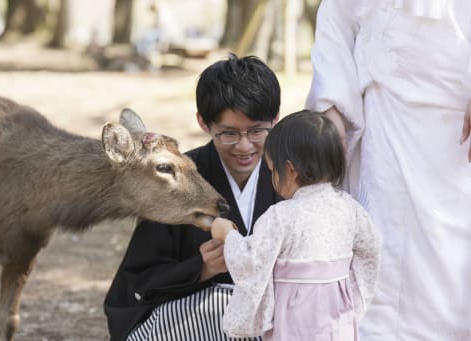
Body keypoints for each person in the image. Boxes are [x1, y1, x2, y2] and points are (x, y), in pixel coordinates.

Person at [305, 1, 471, 340]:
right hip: (383, 122)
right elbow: (335, 22)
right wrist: (332, 114)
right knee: (381, 241)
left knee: (451, 255)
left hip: (456, 122)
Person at [104, 53, 282, 341]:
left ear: (275, 119)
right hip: (194, 324)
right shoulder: (172, 180)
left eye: (257, 130)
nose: (245, 146)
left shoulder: (292, 174)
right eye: (229, 133)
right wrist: (201, 269)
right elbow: (140, 281)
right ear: (203, 122)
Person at [210, 110, 382, 340]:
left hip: (294, 318)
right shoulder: (350, 209)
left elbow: (250, 261)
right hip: (337, 315)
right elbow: (371, 249)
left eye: (272, 170)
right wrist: (351, 293)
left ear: (290, 170)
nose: (272, 178)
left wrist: (228, 234)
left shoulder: (281, 216)